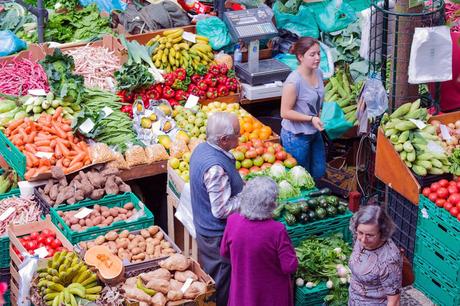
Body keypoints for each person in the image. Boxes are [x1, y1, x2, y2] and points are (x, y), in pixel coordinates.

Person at [189, 112, 244, 306]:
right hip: (216, 236)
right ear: (223, 139)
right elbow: (221, 210)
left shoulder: (201, 149)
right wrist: (247, 198)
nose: (240, 137)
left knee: (214, 275)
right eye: (237, 134)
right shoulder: (215, 168)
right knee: (221, 283)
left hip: (206, 229)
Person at [220, 176, 298, 306]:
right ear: (271, 204)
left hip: (242, 292)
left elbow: (224, 252)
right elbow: (289, 267)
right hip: (271, 296)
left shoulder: (233, 221)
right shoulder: (277, 230)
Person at [280, 37, 326, 179]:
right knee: (301, 177)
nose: (317, 58)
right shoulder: (294, 81)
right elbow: (285, 112)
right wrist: (311, 118)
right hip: (296, 135)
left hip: (313, 131)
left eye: (318, 53)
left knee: (319, 172)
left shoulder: (318, 73)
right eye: (312, 55)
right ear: (300, 57)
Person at [348, 205, 402, 306]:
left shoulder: (388, 261)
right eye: (360, 233)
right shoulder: (360, 238)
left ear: (382, 233)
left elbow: (394, 301)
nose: (363, 239)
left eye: (370, 235)